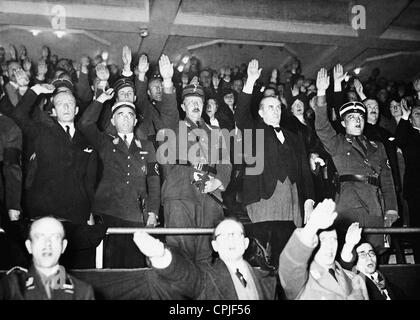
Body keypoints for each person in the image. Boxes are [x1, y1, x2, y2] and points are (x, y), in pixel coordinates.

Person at [77, 75, 161, 267]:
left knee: (135, 267)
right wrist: (100, 100)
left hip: (135, 215)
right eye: (120, 115)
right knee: (109, 267)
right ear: (113, 121)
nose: (125, 119)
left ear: (135, 120)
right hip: (108, 214)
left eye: (129, 115)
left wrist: (153, 212)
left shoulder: (147, 146)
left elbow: (154, 182)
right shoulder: (105, 142)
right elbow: (85, 124)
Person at [314, 66, 398, 251]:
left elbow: (387, 181)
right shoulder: (338, 143)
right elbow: (322, 127)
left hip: (376, 205)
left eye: (360, 116)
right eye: (352, 117)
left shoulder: (378, 146)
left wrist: (391, 208)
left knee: (375, 252)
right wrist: (321, 92)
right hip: (350, 204)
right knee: (351, 252)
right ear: (343, 123)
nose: (358, 120)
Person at [158, 55, 231, 263]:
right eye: (190, 102)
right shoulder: (174, 126)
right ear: (183, 107)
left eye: (198, 102)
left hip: (210, 197)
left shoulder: (214, 132)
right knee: (180, 255)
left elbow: (226, 162)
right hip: (181, 193)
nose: (195, 106)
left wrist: (220, 181)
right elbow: (168, 109)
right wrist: (167, 82)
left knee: (205, 257)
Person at [235, 59, 314, 227]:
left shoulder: (293, 136)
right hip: (263, 195)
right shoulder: (254, 130)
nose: (276, 110)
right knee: (270, 249)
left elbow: (305, 171)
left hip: (293, 196)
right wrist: (250, 81)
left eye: (278, 107)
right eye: (270, 107)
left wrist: (309, 200)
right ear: (260, 112)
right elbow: (241, 113)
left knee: (293, 246)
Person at [133, 218, 277, 300]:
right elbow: (186, 275)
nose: (230, 239)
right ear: (215, 246)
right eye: (224, 235)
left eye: (235, 234)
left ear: (245, 243)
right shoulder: (204, 277)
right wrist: (162, 256)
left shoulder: (269, 280)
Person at [278, 199, 369, 300]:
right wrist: (312, 226)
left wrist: (349, 245)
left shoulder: (355, 280)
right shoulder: (301, 279)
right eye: (323, 239)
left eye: (333, 239)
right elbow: (291, 264)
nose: (330, 245)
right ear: (314, 243)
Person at [0, 216, 94, 300]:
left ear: (63, 246)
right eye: (40, 237)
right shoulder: (10, 287)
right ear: (29, 246)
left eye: (55, 237)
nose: (47, 244)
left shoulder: (82, 291)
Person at [339, 223, 406, 299]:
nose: (369, 257)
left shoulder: (384, 281)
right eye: (363, 254)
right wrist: (349, 244)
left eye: (371, 253)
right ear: (354, 260)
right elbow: (345, 262)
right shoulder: (353, 281)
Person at [394, 104, 420, 262]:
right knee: (418, 228)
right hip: (417, 190)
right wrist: (404, 117)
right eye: (417, 114)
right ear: (411, 120)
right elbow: (398, 139)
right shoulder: (409, 136)